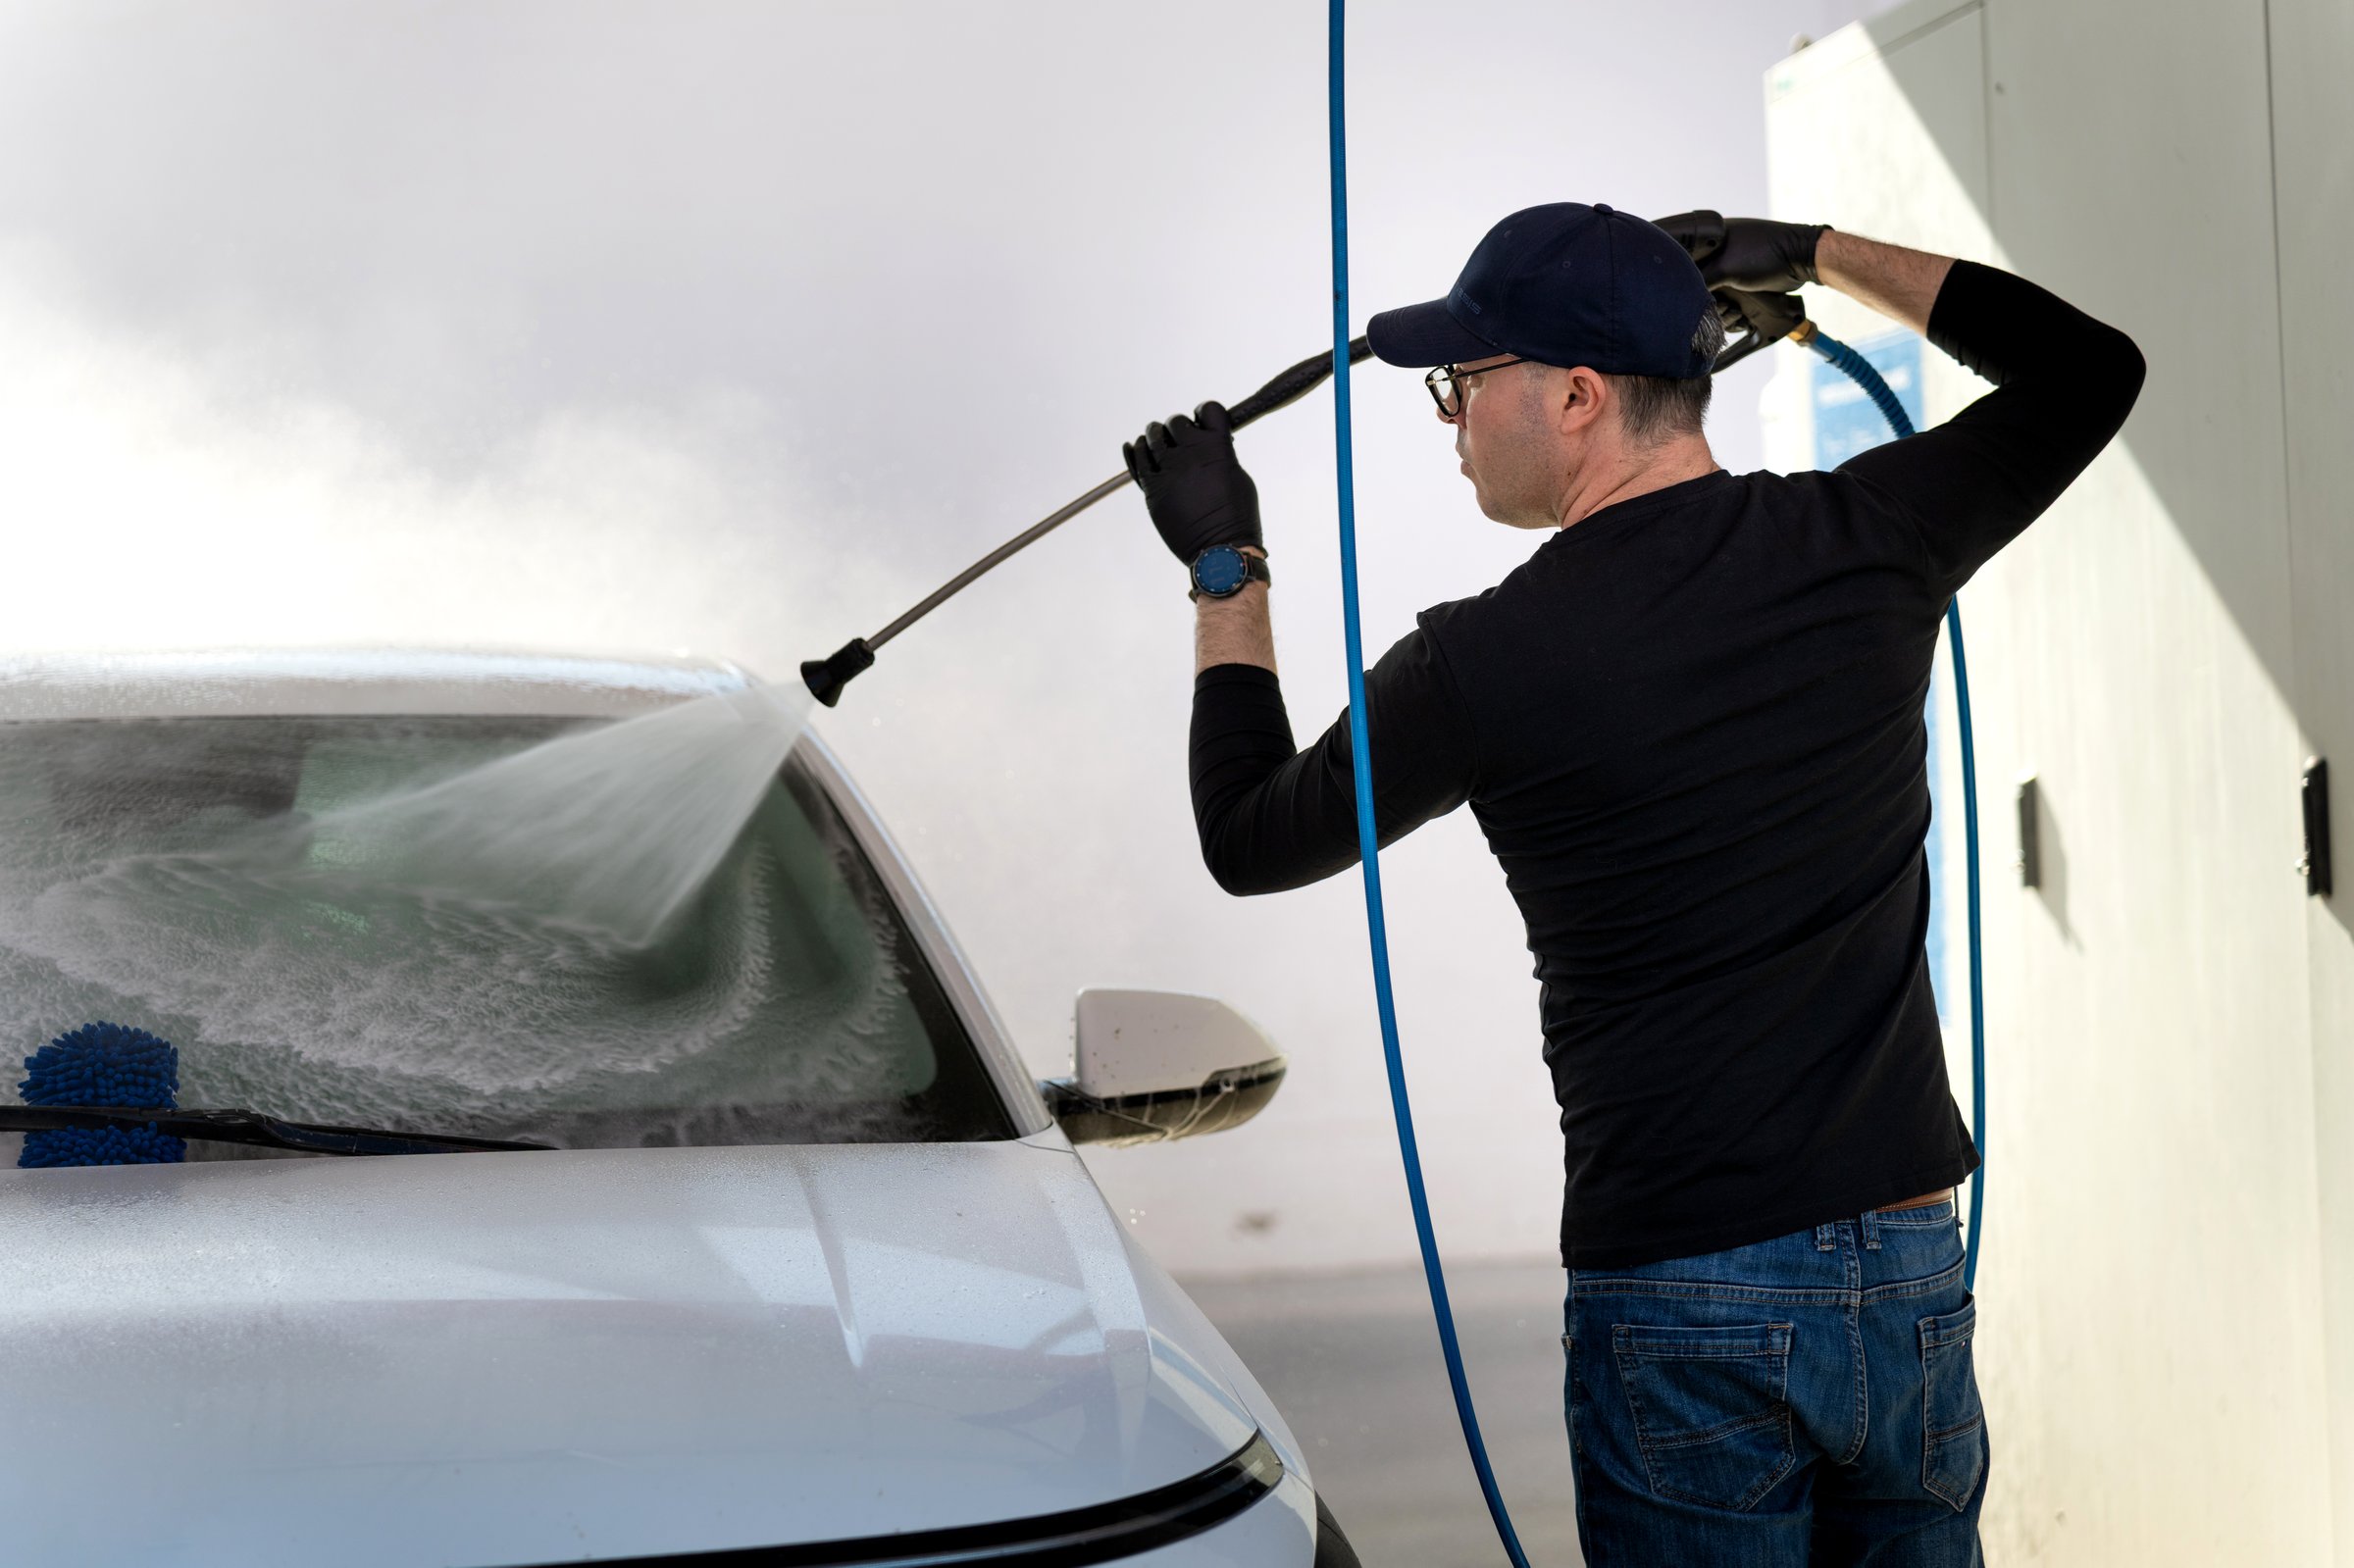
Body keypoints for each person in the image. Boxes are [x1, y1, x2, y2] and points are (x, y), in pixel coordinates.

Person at [1122, 203, 2143, 1565]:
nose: (1452, 418)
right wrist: (1817, 250)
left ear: (1579, 396)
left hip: (1686, 1291)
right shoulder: (1867, 537)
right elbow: (2089, 370)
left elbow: (1250, 835)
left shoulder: (1479, 666)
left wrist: (1223, 566)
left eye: (1467, 384)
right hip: (1905, 1267)